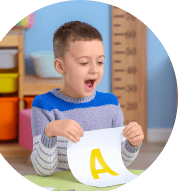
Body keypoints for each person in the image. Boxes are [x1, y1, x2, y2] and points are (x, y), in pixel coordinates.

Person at [30, 21, 144, 176]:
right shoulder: (43, 105)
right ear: (60, 67)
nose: (94, 70)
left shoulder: (110, 104)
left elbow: (117, 161)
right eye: (84, 62)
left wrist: (132, 143)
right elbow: (43, 170)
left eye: (100, 62)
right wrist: (50, 131)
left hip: (100, 184)